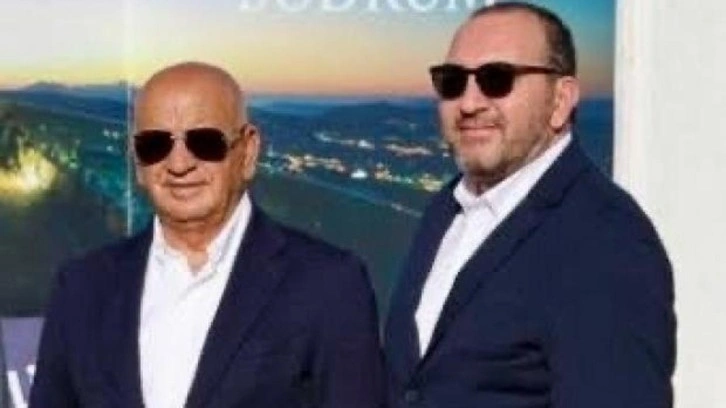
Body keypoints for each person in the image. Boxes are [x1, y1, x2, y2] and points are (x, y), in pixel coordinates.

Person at [30, 62, 385, 407]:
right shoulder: (81, 287)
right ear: (138, 161)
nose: (179, 164)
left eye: (205, 142)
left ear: (248, 152)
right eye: (155, 145)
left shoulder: (328, 285)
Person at [384, 2, 676, 407]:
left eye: (497, 79)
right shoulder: (444, 210)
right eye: (452, 81)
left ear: (560, 100)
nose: (468, 103)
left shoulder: (607, 240)